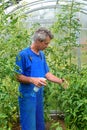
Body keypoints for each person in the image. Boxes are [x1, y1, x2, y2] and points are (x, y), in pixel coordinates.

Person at [15, 27, 66, 130]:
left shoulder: (41, 55)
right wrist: (33, 80)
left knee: (39, 123)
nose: (47, 46)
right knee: (29, 124)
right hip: (27, 96)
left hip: (38, 94)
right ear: (38, 41)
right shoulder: (23, 55)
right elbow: (17, 76)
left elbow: (46, 73)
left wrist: (60, 81)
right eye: (46, 43)